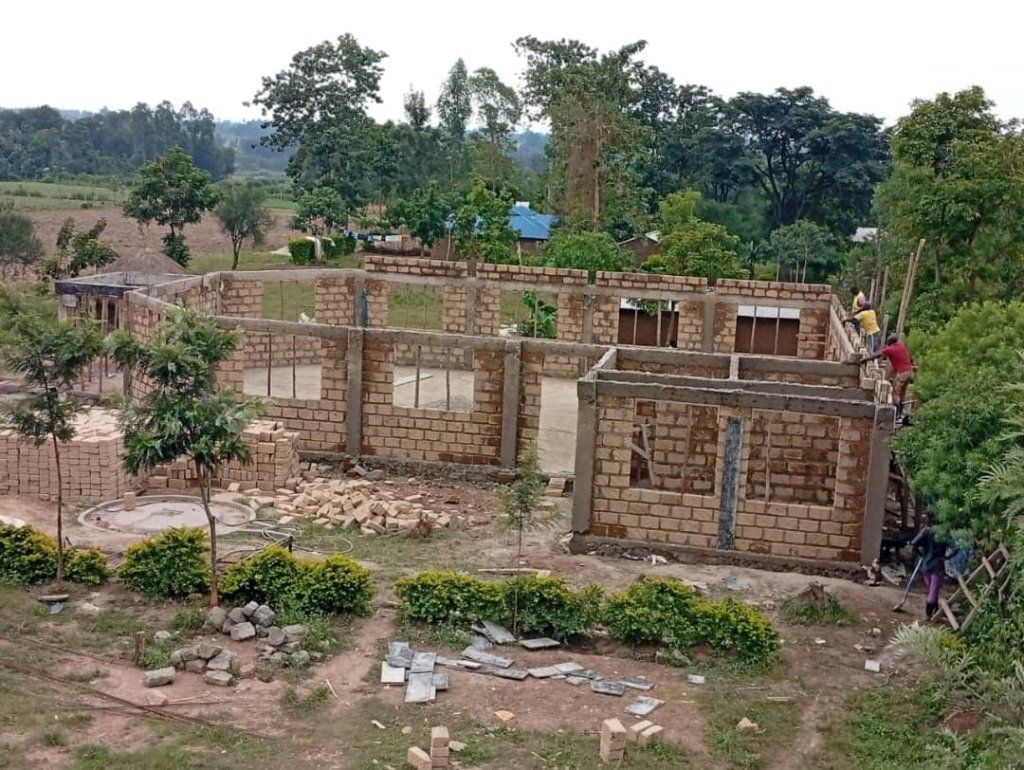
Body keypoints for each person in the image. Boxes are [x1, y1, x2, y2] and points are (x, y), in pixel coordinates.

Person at [910, 515, 954, 621]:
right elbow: (955, 547)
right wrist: (947, 557)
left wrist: (920, 554)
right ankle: (929, 615)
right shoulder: (943, 533)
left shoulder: (926, 531)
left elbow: (914, 543)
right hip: (938, 565)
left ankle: (933, 611)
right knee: (933, 591)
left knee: (932, 589)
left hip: (926, 564)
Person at [862, 334, 914, 420]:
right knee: (902, 393)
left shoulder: (891, 349)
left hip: (902, 373)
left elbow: (878, 354)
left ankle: (897, 413)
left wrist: (865, 360)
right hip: (909, 372)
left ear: (889, 342)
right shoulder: (901, 347)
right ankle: (901, 413)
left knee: (895, 392)